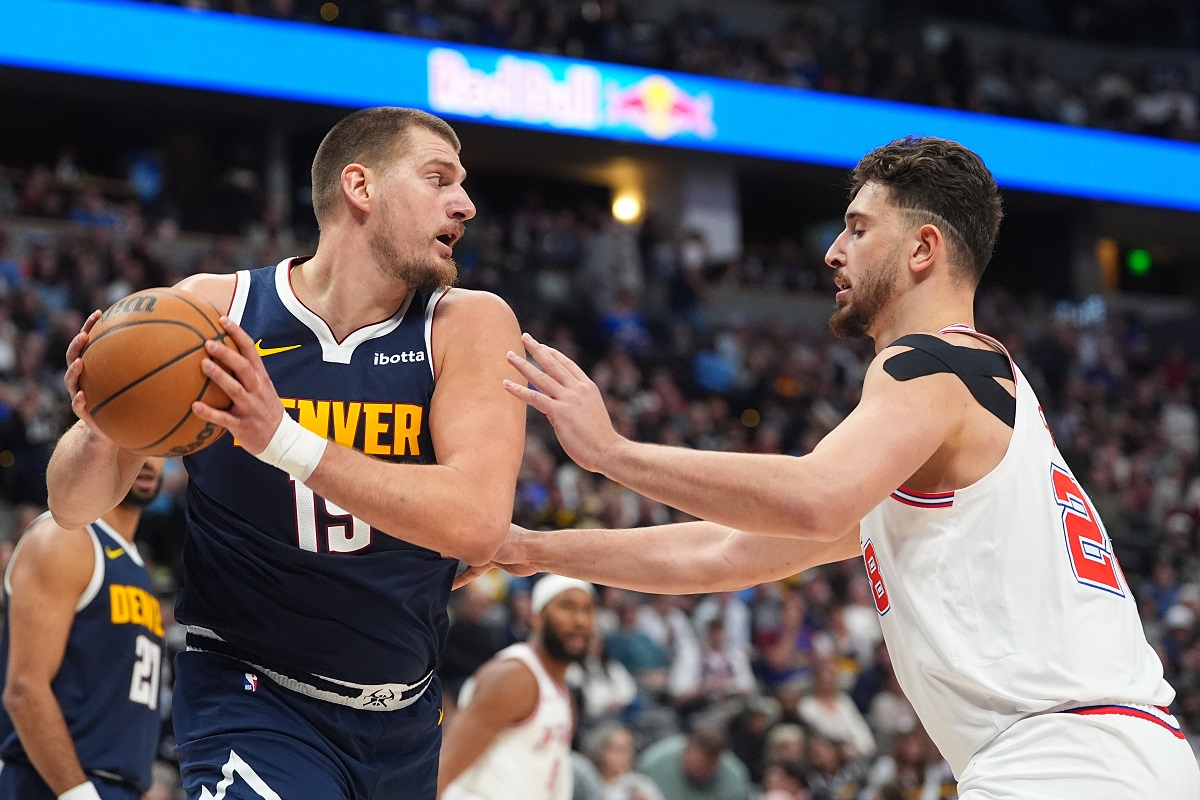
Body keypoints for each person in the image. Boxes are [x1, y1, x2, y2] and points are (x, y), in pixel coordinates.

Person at [467, 136, 1200, 798]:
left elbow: (814, 495)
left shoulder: (932, 362)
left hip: (1064, 759)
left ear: (923, 249)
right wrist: (529, 548)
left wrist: (611, 453)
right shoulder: (964, 402)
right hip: (1111, 752)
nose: (832, 251)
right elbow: (721, 553)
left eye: (858, 228)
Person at [48, 107, 527, 800]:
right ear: (360, 187)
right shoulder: (214, 313)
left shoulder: (468, 323)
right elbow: (71, 506)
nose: (466, 204)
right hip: (251, 695)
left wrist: (283, 438)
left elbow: (478, 522)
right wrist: (103, 423)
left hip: (405, 715)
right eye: (438, 179)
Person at [0, 458, 166, 800]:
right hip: (50, 786)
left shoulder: (134, 562)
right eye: (134, 438)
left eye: (159, 444)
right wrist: (78, 793)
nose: (148, 458)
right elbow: (24, 690)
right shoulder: (65, 537)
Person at [439, 575, 596, 800]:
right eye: (567, 606)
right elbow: (441, 770)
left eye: (588, 609)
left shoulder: (563, 691)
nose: (580, 620)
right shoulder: (513, 676)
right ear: (537, 617)